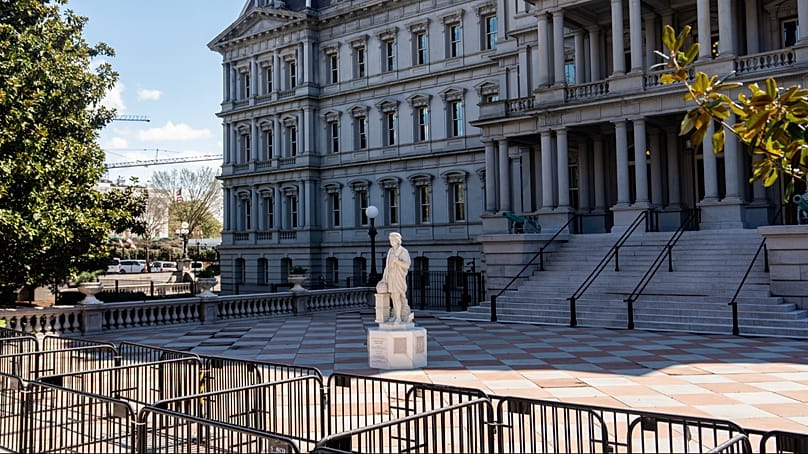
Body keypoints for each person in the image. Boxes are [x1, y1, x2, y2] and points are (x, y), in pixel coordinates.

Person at [376, 232, 413, 324]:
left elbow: (407, 265)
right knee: (393, 297)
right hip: (391, 277)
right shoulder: (390, 251)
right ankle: (396, 316)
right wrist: (384, 278)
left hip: (398, 278)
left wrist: (397, 261)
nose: (391, 242)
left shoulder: (403, 251)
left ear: (397, 241)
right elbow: (387, 267)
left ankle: (399, 318)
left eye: (392, 240)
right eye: (390, 240)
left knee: (397, 297)